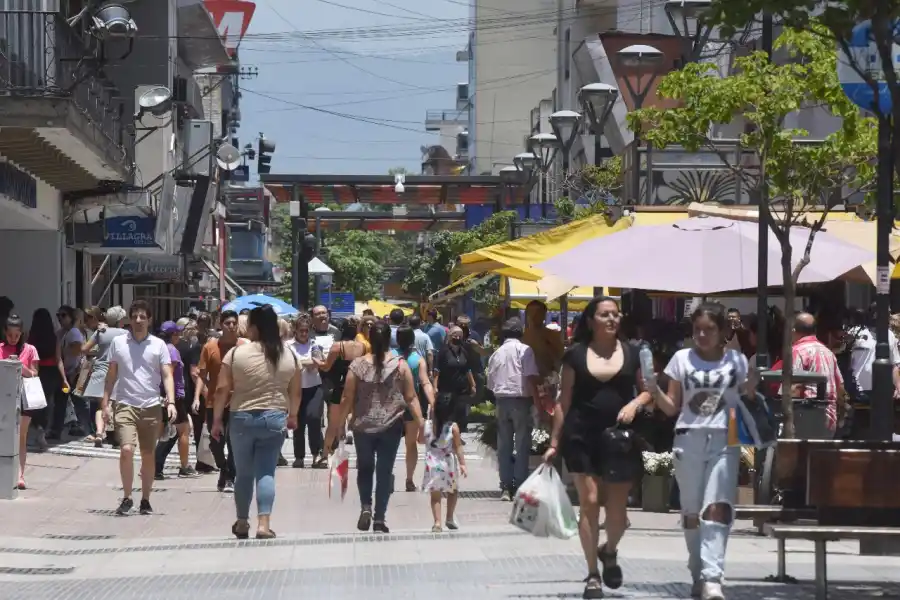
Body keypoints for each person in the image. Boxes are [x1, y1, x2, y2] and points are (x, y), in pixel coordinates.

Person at [544, 296, 652, 599]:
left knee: (617, 513)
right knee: (589, 501)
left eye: (615, 315)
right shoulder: (575, 356)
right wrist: (554, 442)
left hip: (619, 440)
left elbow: (648, 392)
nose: (611, 320)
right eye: (605, 315)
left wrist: (634, 403)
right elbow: (563, 401)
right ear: (591, 321)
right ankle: (592, 574)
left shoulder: (633, 353)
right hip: (581, 437)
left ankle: (609, 550)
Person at [650, 302, 754, 600]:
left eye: (709, 329)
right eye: (697, 329)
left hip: (725, 438)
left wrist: (752, 386)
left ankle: (712, 577)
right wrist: (653, 390)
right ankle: (697, 568)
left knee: (717, 507)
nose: (702, 335)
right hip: (688, 438)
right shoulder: (681, 359)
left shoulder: (736, 360)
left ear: (722, 331)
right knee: (691, 511)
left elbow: (746, 399)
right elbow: (672, 407)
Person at [325, 321, 424, 533]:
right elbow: (411, 397)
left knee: (365, 468)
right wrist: (422, 423)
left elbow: (346, 397)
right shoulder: (400, 365)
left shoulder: (358, 365)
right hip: (391, 426)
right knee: (385, 471)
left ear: (369, 338)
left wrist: (337, 427)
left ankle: (366, 507)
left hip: (363, 426)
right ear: (390, 339)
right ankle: (380, 518)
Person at [212, 305, 301, 540]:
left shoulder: (236, 354)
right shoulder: (289, 354)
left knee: (243, 474)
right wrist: (292, 416)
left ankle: (242, 521)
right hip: (274, 418)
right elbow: (296, 391)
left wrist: (217, 420)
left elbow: (222, 389)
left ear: (252, 327)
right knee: (266, 472)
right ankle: (264, 524)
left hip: (241, 417)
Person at [101, 300, 177, 516]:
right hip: (125, 404)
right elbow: (111, 375)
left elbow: (167, 374)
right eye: (135, 316)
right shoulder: (118, 343)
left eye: (143, 316)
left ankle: (145, 499)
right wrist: (105, 403)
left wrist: (170, 401)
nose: (138, 320)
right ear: (129, 320)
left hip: (151, 406)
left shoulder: (158, 345)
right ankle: (126, 497)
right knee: (126, 449)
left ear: (149, 320)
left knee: (148, 454)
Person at [486, 317, 541, 500]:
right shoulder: (525, 350)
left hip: (501, 401)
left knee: (504, 446)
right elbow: (532, 378)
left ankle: (505, 486)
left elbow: (490, 383)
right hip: (521, 401)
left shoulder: (497, 353)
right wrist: (538, 403)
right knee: (522, 444)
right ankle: (520, 484)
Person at [196, 310, 245, 493]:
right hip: (213, 403)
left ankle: (230, 476)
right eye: (227, 323)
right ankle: (223, 469)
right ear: (220, 325)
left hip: (237, 402)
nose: (231, 326)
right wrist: (201, 393)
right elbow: (201, 374)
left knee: (234, 442)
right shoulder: (210, 347)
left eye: (234, 323)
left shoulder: (244, 346)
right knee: (216, 442)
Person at [394, 324, 437, 492]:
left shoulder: (391, 357)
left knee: (390, 443)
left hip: (392, 405)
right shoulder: (418, 359)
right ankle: (409, 479)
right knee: (410, 444)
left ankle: (387, 475)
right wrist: (433, 402)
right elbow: (425, 382)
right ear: (413, 340)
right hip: (413, 405)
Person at [80, 306, 129, 448]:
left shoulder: (100, 332)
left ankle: (99, 434)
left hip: (100, 371)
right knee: (114, 406)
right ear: (119, 320)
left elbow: (84, 349)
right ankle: (116, 437)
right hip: (117, 373)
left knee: (101, 406)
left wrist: (99, 353)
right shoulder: (125, 334)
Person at [1, 315, 40, 490]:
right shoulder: (0, 348)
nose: (13, 339)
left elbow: (35, 373)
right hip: (4, 395)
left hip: (24, 396)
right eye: (10, 335)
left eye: (16, 335)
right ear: (5, 333)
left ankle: (20, 475)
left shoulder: (30, 349)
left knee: (21, 436)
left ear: (21, 333)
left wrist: (20, 367)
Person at [153, 321, 196, 479]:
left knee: (168, 432)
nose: (179, 336)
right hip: (174, 397)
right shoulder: (172, 350)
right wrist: (169, 397)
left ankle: (154, 466)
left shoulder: (160, 349)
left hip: (167, 397)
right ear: (172, 335)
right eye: (177, 333)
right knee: (182, 431)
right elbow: (168, 375)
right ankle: (184, 466)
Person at [422, 392, 467, 533]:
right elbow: (458, 446)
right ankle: (449, 518)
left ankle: (437, 523)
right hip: (448, 463)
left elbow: (419, 440)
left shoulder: (427, 425)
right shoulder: (453, 427)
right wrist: (462, 464)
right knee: (452, 491)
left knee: (435, 495)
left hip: (432, 463)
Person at [318, 318, 367, 446]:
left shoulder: (337, 346)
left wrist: (316, 360)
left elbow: (326, 367)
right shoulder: (363, 347)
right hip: (357, 386)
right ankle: (351, 434)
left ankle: (325, 454)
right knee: (356, 418)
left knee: (333, 424)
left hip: (339, 386)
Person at [288, 313, 326, 468]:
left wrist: (300, 363)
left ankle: (317, 454)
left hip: (314, 387)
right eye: (301, 330)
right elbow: (289, 364)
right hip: (296, 389)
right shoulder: (288, 346)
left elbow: (318, 362)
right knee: (297, 422)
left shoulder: (314, 344)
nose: (304, 334)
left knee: (314, 419)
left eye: (306, 330)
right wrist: (306, 362)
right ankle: (299, 456)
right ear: (295, 331)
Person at [28, 308, 65, 450]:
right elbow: (58, 359)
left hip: (36, 371)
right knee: (47, 402)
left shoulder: (31, 337)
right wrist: (64, 378)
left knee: (33, 402)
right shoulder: (54, 337)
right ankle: (43, 431)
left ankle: (35, 428)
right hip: (51, 372)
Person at [50, 305, 88, 440]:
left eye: (64, 315)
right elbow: (58, 358)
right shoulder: (61, 333)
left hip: (75, 373)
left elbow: (80, 354)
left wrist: (74, 373)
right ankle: (57, 430)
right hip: (65, 373)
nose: (60, 318)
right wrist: (64, 376)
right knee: (61, 402)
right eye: (58, 315)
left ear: (71, 317)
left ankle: (88, 429)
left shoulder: (74, 333)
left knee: (79, 402)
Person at [434, 326, 476, 443]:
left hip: (461, 389)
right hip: (446, 388)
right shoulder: (443, 352)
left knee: (460, 414)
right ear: (449, 337)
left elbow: (468, 370)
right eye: (455, 335)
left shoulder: (464, 352)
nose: (458, 338)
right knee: (446, 414)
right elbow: (437, 371)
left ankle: (458, 436)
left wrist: (472, 385)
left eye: (460, 335)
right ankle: (444, 436)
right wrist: (434, 387)